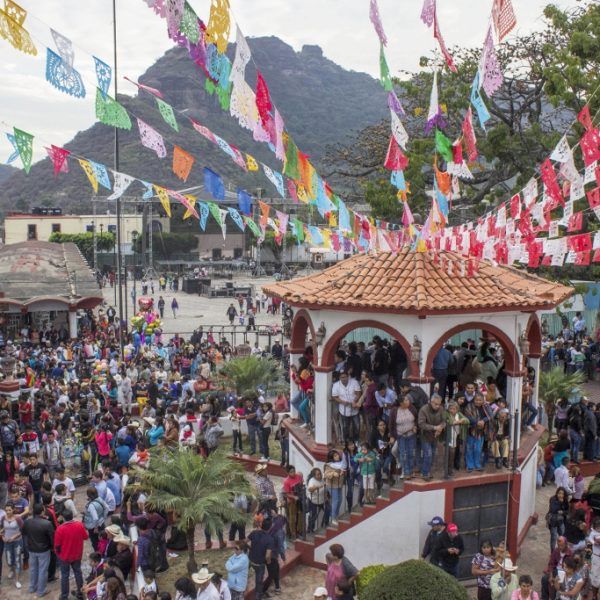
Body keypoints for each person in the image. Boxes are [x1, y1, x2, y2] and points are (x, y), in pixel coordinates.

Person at [54, 508, 89, 600]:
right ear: (72, 516)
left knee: (65, 575)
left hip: (64, 556)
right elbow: (85, 537)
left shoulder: (60, 529)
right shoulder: (79, 525)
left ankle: (64, 596)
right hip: (77, 555)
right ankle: (81, 593)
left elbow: (57, 546)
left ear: (63, 518)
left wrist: (58, 554)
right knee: (78, 572)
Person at [22, 503, 54, 597]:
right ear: (42, 512)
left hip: (31, 549)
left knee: (33, 569)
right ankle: (41, 591)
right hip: (43, 550)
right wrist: (52, 547)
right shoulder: (47, 523)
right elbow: (52, 538)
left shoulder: (27, 522)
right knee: (43, 570)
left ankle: (32, 587)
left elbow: (24, 533)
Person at [418, 394, 446, 480]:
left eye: (439, 404)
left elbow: (444, 421)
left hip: (435, 436)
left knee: (433, 454)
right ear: (431, 402)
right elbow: (421, 424)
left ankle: (428, 471)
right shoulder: (423, 409)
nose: (437, 406)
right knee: (428, 454)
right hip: (425, 436)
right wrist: (434, 427)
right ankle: (424, 473)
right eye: (435, 404)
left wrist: (440, 428)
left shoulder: (441, 409)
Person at [247, 519, 274, 600]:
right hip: (260, 564)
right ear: (270, 528)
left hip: (250, 561)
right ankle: (258, 597)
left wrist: (250, 548)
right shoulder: (270, 539)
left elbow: (244, 542)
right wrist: (269, 563)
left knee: (245, 575)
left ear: (262, 525)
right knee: (258, 584)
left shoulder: (254, 533)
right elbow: (267, 556)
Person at [331, 371, 362, 443]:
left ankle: (356, 440)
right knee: (345, 427)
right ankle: (347, 442)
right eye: (342, 377)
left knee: (357, 426)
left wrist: (354, 401)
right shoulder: (336, 385)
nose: (343, 379)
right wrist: (342, 402)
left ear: (348, 376)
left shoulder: (354, 382)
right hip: (344, 409)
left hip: (354, 408)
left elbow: (358, 393)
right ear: (339, 378)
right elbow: (334, 396)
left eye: (345, 377)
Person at [1, 502, 24, 588]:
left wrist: (14, 536)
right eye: (6, 510)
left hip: (17, 542)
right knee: (9, 559)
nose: (8, 512)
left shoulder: (18, 519)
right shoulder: (3, 518)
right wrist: (3, 537)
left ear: (13, 510)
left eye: (9, 510)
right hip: (7, 542)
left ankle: (17, 580)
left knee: (17, 559)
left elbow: (23, 530)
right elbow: (1, 529)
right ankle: (11, 569)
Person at [547, 487, 570, 551]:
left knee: (562, 536)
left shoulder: (565, 500)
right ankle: (553, 553)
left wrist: (562, 512)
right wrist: (560, 503)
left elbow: (567, 511)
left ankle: (562, 550)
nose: (561, 495)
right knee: (554, 538)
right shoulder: (553, 499)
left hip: (561, 521)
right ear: (557, 493)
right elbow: (553, 510)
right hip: (553, 521)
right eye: (559, 493)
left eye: (562, 494)